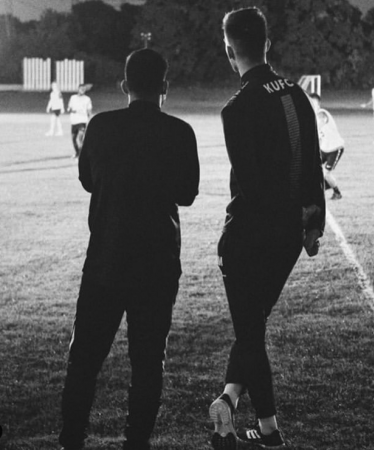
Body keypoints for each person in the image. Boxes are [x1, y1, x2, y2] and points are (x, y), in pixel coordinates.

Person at [58, 49, 200, 450]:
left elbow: (87, 179)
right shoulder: (179, 132)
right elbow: (187, 194)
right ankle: (135, 442)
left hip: (106, 258)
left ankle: (71, 439)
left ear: (124, 86)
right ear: (165, 87)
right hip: (156, 264)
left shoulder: (101, 126)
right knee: (148, 361)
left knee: (84, 358)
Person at [209, 7, 325, 450]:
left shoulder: (237, 108)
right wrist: (313, 222)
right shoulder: (297, 94)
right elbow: (313, 163)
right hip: (288, 239)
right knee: (251, 327)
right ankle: (228, 402)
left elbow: (252, 188)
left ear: (228, 49)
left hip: (249, 238)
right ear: (267, 44)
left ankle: (271, 432)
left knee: (250, 334)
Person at [309, 93, 344, 200]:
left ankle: (337, 192)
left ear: (318, 104)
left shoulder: (322, 113)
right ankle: (321, 187)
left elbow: (321, 123)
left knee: (326, 174)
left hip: (335, 148)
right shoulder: (313, 116)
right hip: (324, 148)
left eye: (313, 102)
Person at [67, 84, 93, 158]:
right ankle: (77, 153)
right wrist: (72, 110)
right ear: (78, 89)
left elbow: (89, 110)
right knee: (73, 139)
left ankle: (82, 156)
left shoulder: (87, 99)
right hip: (74, 121)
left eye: (84, 89)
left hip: (82, 120)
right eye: (81, 89)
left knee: (80, 139)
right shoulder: (73, 98)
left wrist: (89, 117)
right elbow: (69, 108)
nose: (82, 90)